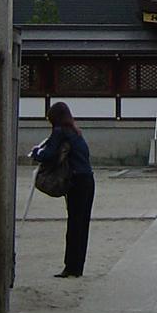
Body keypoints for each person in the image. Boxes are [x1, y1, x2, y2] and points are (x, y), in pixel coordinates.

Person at [32, 101, 95, 277]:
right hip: (88, 179)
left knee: (73, 224)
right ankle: (78, 266)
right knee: (82, 224)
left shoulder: (60, 132)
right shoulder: (76, 132)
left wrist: (36, 153)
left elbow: (49, 154)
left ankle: (70, 266)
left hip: (75, 181)